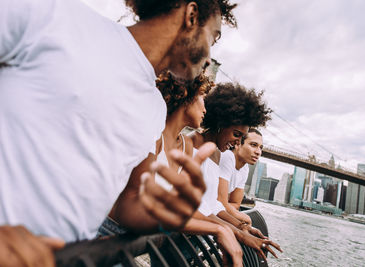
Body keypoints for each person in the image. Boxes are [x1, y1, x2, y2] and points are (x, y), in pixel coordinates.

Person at [0, 0, 237, 265]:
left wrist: (169, 216)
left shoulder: (154, 108)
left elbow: (129, 203)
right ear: (191, 15)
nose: (208, 57)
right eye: (213, 38)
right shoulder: (56, 16)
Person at [99, 72, 243, 266]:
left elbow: (173, 210)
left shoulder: (186, 146)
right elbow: (137, 205)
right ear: (187, 95)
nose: (205, 108)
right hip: (104, 237)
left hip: (131, 245)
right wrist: (218, 229)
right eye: (202, 97)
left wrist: (229, 230)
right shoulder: (153, 132)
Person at [190, 82, 282, 261]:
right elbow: (194, 208)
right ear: (221, 122)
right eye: (236, 134)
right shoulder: (192, 143)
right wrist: (241, 235)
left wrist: (242, 227)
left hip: (195, 237)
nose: (237, 144)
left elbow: (212, 205)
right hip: (177, 239)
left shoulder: (216, 153)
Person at [218, 128, 264, 226]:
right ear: (238, 144)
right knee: (247, 220)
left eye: (261, 147)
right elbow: (221, 203)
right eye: (253, 145)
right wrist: (242, 218)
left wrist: (227, 206)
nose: (258, 152)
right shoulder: (227, 157)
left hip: (214, 210)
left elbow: (236, 204)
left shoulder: (245, 168)